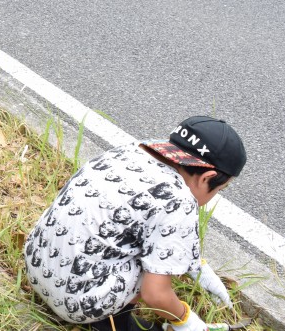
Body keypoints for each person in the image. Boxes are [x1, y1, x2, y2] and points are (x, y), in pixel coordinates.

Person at [24, 116, 247, 331]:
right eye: (220, 189)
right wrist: (186, 321)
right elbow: (155, 294)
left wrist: (196, 265)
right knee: (159, 262)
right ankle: (113, 324)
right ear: (207, 177)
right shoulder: (179, 199)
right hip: (72, 302)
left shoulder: (130, 151)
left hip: (37, 265)